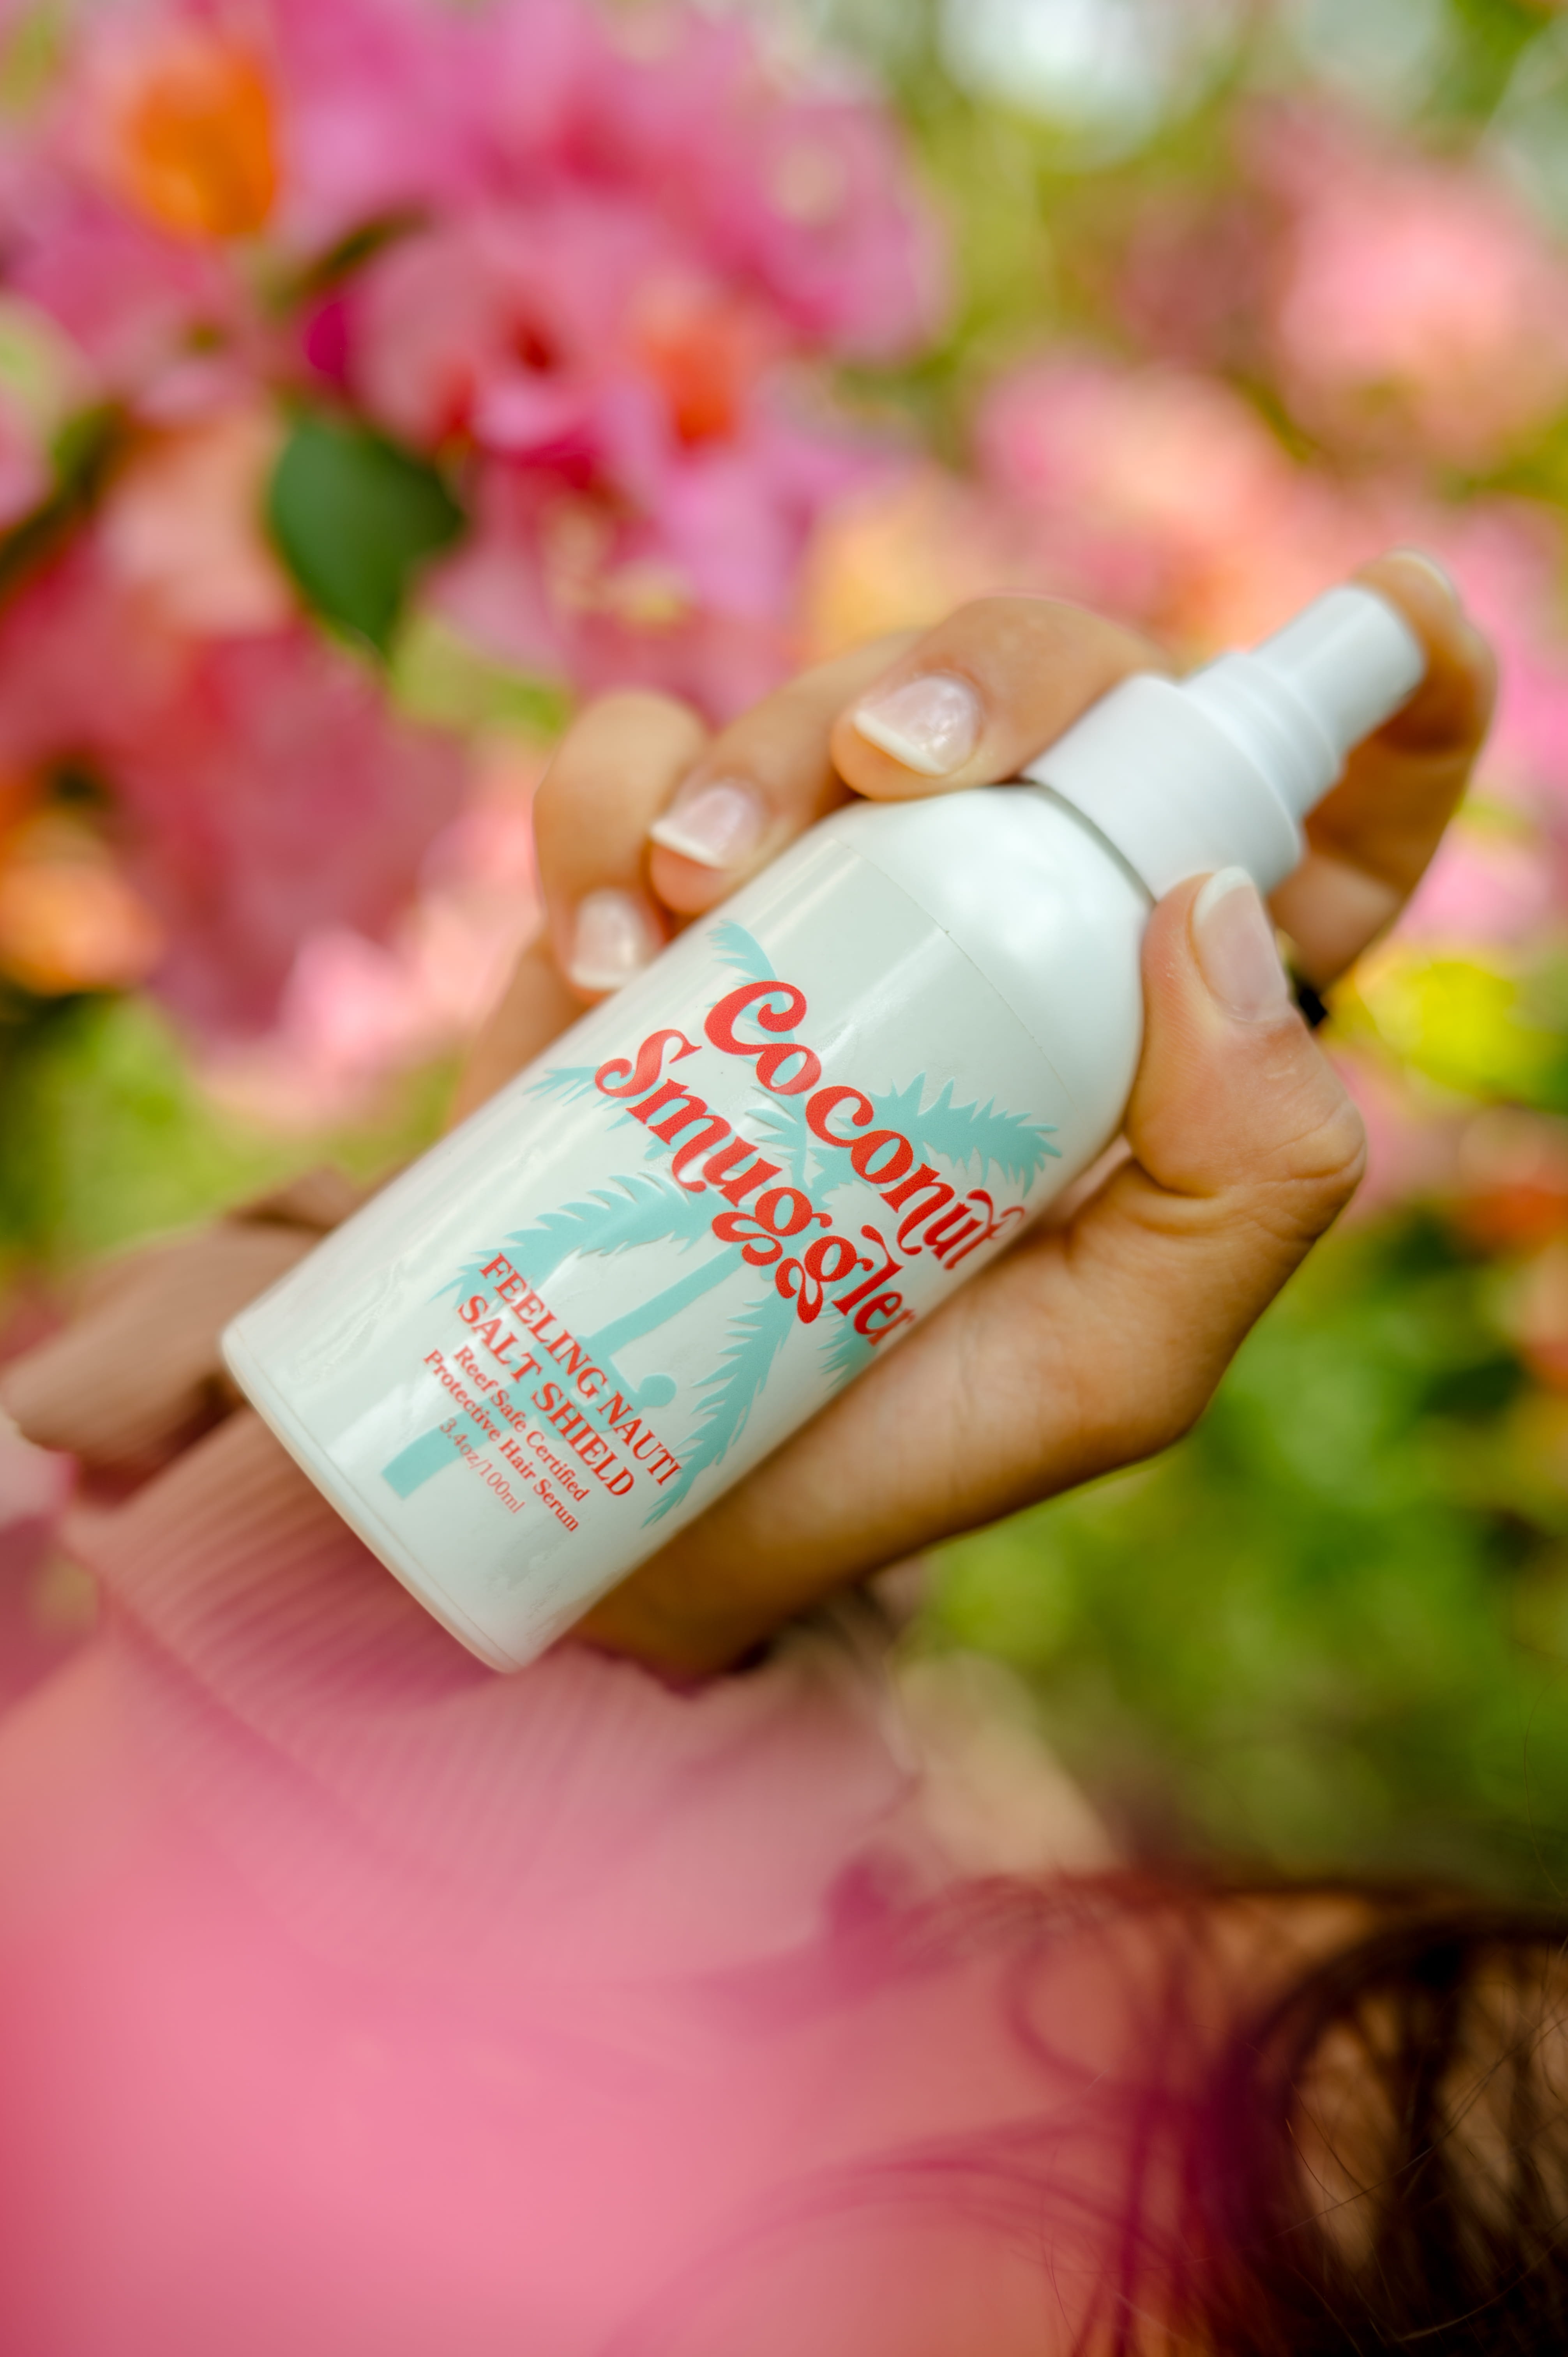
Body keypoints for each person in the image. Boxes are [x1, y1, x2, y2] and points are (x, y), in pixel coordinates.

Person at [2, 552, 1561, 2356]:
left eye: (1276, 2176)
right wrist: (622, 1596)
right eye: (1399, 1956)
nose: (1177, 1994)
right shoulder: (706, 1965)